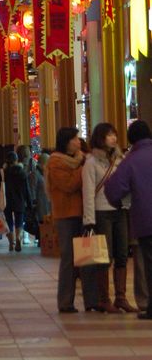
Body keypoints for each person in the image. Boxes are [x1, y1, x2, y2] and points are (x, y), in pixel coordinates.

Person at [82, 122, 136, 313]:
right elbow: (88, 192)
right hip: (101, 212)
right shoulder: (90, 163)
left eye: (115, 134)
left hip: (120, 210)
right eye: (109, 135)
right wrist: (89, 220)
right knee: (104, 257)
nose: (113, 138)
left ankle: (120, 297)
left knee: (122, 254)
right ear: (100, 138)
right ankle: (104, 299)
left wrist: (127, 205)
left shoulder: (120, 160)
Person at [45, 127, 98, 313]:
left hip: (83, 214)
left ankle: (92, 301)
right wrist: (84, 169)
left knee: (88, 257)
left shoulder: (82, 158)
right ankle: (66, 302)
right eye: (75, 139)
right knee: (69, 259)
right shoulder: (55, 162)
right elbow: (68, 185)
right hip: (66, 215)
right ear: (66, 142)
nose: (78, 141)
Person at [105, 120, 152, 320]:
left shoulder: (131, 160)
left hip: (146, 220)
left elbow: (114, 188)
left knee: (150, 264)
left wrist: (117, 203)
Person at [2, 151, 31, 252]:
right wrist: (29, 202)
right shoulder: (22, 173)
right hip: (20, 200)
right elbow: (27, 189)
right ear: (16, 160)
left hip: (7, 200)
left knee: (8, 221)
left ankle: (11, 242)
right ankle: (18, 237)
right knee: (19, 221)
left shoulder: (3, 173)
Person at [34, 153, 51, 223]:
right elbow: (32, 191)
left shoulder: (44, 173)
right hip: (40, 207)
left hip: (47, 206)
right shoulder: (35, 174)